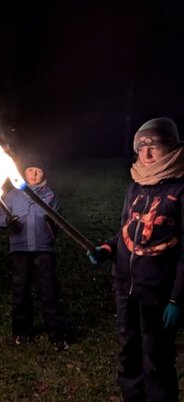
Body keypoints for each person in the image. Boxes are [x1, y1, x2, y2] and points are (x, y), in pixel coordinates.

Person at [88, 117, 184, 402]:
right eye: (141, 147)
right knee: (128, 352)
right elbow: (126, 233)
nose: (147, 153)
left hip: (158, 291)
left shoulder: (180, 190)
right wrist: (106, 248)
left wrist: (177, 299)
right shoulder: (135, 187)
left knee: (156, 357)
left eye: (154, 146)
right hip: (125, 287)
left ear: (171, 147)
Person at [0, 154, 69, 351]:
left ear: (43, 172)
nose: (34, 173)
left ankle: (57, 333)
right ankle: (22, 331)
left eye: (38, 170)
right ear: (23, 172)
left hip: (43, 249)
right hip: (20, 250)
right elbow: (0, 218)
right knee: (21, 291)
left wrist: (52, 228)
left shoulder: (49, 195)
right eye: (30, 169)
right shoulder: (13, 195)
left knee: (49, 291)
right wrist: (7, 221)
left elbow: (59, 220)